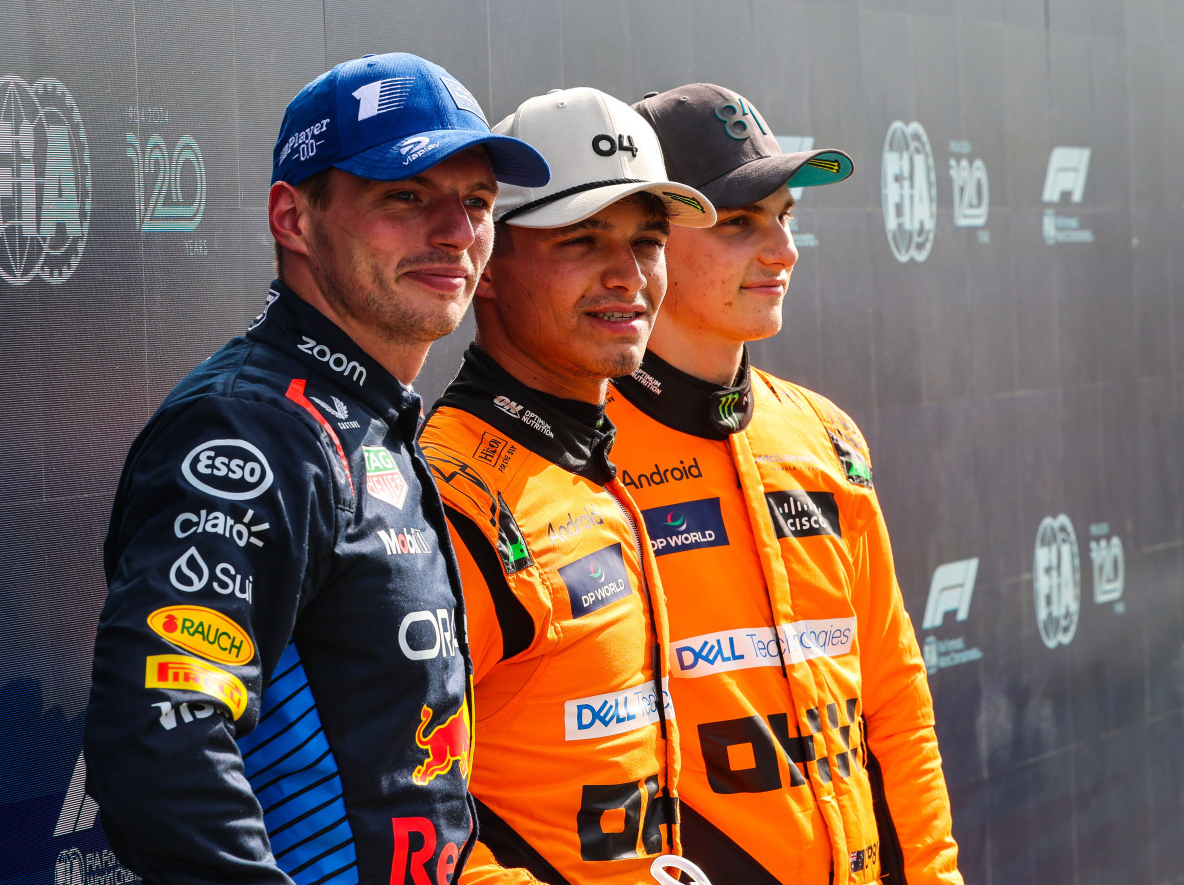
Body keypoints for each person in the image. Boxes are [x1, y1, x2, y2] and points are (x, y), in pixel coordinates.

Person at [84, 52, 548, 885]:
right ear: (293, 220)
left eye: (476, 202)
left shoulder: (368, 417)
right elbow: (162, 748)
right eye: (404, 197)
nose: (455, 232)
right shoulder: (253, 429)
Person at [606, 83, 964, 885]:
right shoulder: (573, 464)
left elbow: (895, 701)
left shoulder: (825, 435)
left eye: (785, 217)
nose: (782, 249)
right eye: (739, 222)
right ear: (648, 242)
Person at [418, 87, 716, 885]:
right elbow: (391, 823)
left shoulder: (585, 462)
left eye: (647, 242)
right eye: (582, 241)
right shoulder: (449, 498)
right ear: (484, 263)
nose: (629, 276)